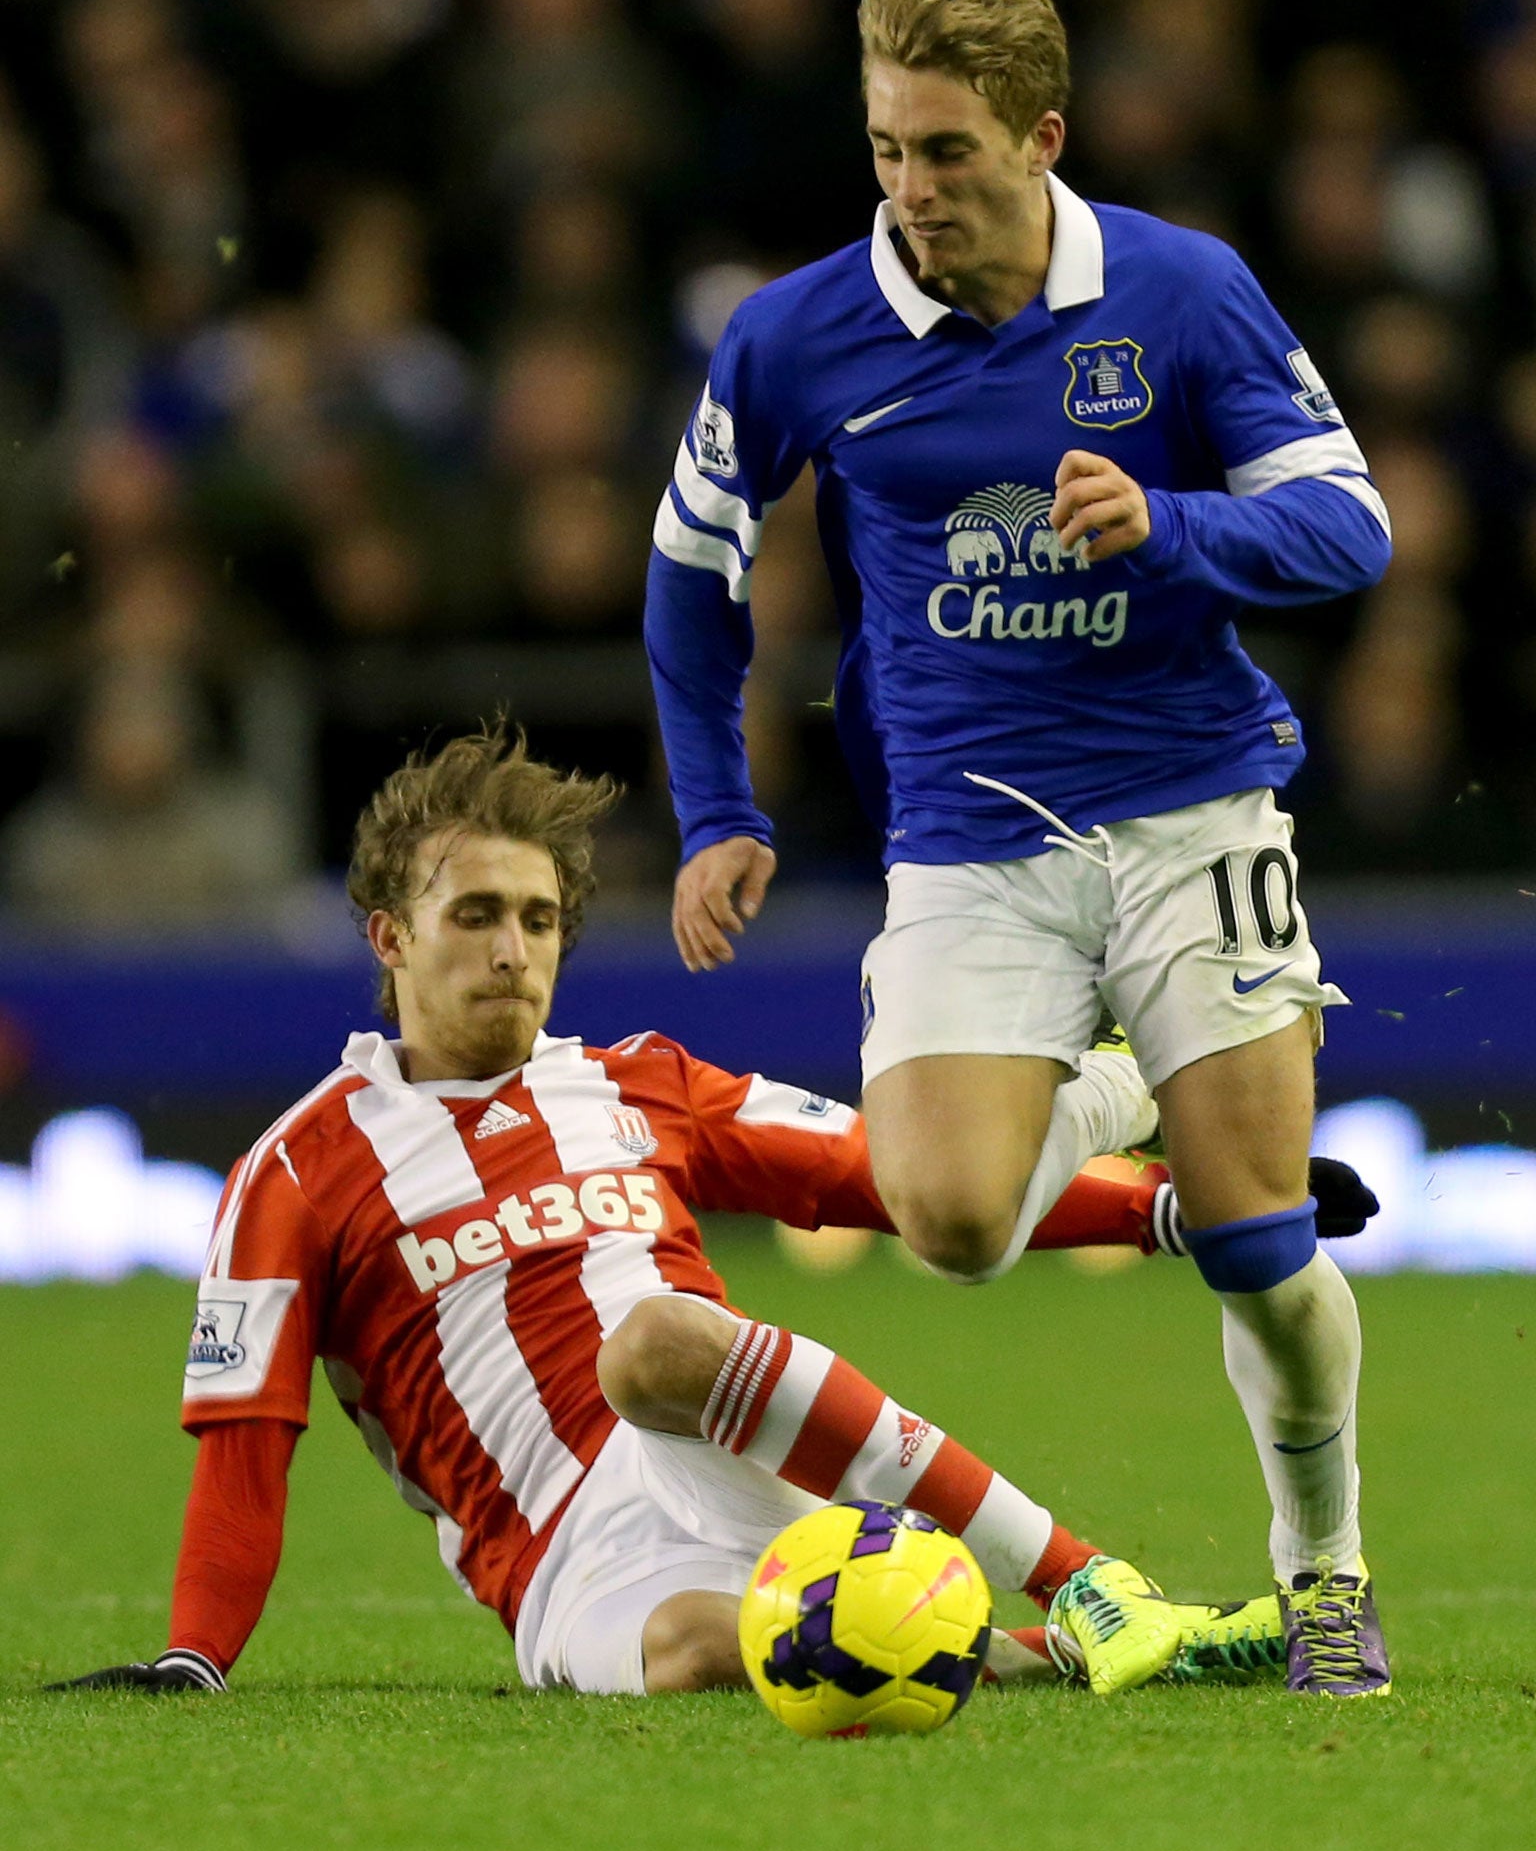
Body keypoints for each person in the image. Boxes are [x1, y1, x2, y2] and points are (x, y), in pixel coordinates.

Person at [644, 0, 1393, 1696]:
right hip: (972, 840)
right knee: (952, 1229)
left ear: (1044, 138)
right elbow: (692, 574)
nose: (913, 191)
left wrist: (1177, 527)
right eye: (888, 148)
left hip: (1190, 803)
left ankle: (1328, 1568)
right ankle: (1132, 1087)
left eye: (951, 152)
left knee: (1263, 1246)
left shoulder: (1183, 294)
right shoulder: (797, 332)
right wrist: (715, 810)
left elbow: (1350, 525)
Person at [47, 727, 1373, 1703]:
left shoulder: (643, 1084)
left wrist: (1175, 1214)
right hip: (558, 1550)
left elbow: (887, 1176)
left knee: (655, 1343)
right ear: (389, 935)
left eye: (539, 919)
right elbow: (244, 1451)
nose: (513, 950)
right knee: (699, 1655)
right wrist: (192, 1659)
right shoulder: (296, 1171)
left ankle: (1089, 1580)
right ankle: (1087, 1656)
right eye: (476, 916)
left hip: (721, 1440)